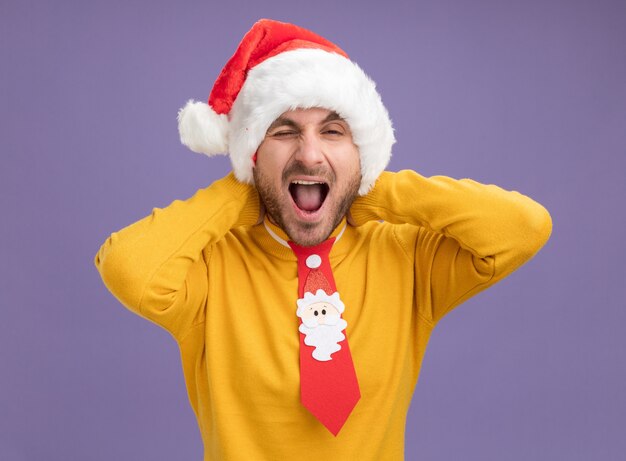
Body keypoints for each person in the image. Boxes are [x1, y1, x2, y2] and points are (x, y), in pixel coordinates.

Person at [95, 19, 552, 460]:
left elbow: (523, 228)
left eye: (333, 132)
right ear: (252, 153)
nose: (310, 154)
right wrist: (243, 194)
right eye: (283, 131)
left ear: (362, 150)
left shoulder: (405, 257)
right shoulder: (210, 266)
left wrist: (371, 191)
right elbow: (128, 268)